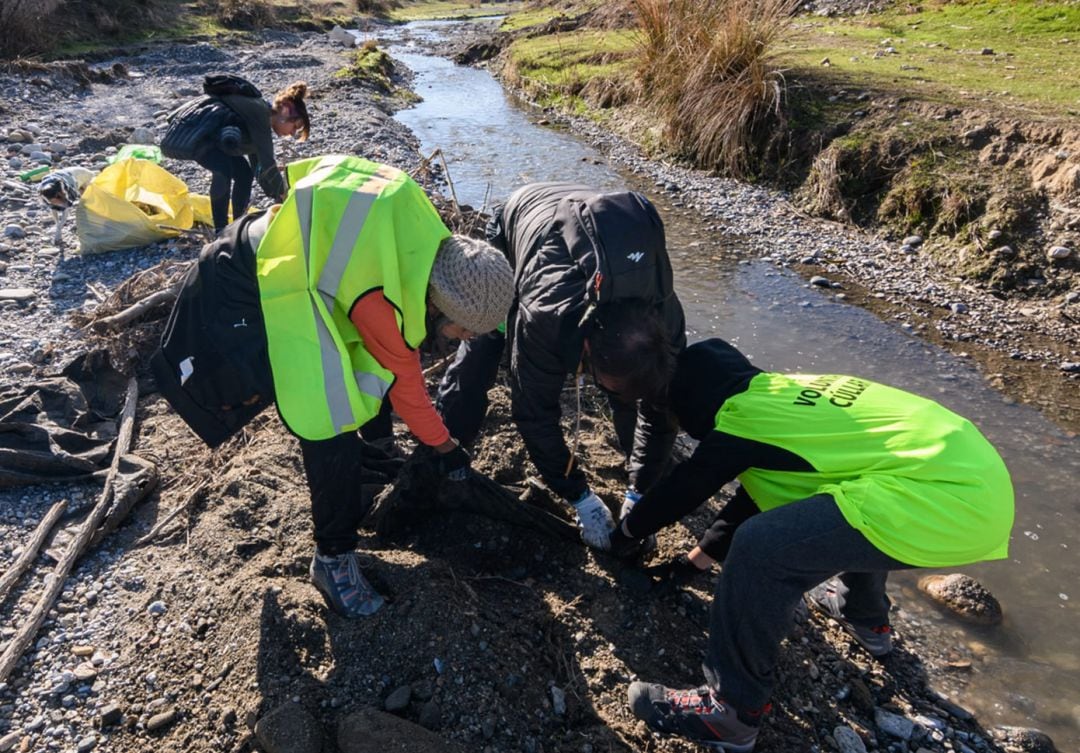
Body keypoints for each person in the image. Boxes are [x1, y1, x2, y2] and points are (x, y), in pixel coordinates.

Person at [608, 338, 1015, 752]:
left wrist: (624, 534)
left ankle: (730, 712)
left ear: (693, 408)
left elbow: (684, 489)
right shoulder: (780, 394)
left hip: (947, 500)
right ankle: (865, 618)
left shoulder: (737, 423)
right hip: (968, 468)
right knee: (850, 495)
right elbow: (758, 497)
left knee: (761, 550)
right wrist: (691, 565)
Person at [152, 155, 514, 618]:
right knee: (330, 421)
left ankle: (373, 454)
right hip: (249, 287)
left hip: (275, 250)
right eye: (463, 331)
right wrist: (446, 448)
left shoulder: (420, 233)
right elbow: (406, 388)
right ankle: (333, 560)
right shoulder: (384, 302)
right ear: (439, 305)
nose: (464, 341)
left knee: (358, 382)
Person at [435, 182, 686, 550]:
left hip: (587, 228)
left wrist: (640, 491)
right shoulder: (546, 319)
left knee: (635, 394)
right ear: (585, 350)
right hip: (520, 221)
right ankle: (448, 453)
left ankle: (636, 473)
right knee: (482, 345)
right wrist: (579, 496)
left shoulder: (667, 321)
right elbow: (534, 414)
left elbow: (662, 410)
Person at [161, 77, 310, 232]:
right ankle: (221, 229)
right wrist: (285, 194)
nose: (292, 133)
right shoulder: (261, 114)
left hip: (213, 140)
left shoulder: (260, 116)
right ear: (285, 111)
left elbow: (258, 167)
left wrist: (275, 195)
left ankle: (238, 225)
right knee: (223, 170)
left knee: (244, 174)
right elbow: (267, 163)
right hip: (198, 136)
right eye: (295, 126)